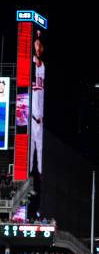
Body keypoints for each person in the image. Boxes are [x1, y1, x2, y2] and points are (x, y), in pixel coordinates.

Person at [30, 31, 45, 175]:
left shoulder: (41, 64)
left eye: (38, 46)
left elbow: (37, 58)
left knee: (39, 149)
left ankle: (40, 173)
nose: (37, 47)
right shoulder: (31, 67)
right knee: (31, 150)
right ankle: (28, 174)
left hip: (39, 119)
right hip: (31, 118)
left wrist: (37, 38)